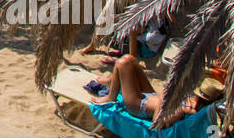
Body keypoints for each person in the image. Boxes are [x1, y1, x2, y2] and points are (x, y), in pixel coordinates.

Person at [91, 53, 221, 127]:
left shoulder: (187, 111)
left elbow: (157, 122)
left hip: (138, 105)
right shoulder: (192, 101)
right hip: (150, 95)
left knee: (122, 63)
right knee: (130, 59)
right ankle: (113, 82)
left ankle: (110, 97)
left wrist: (166, 100)